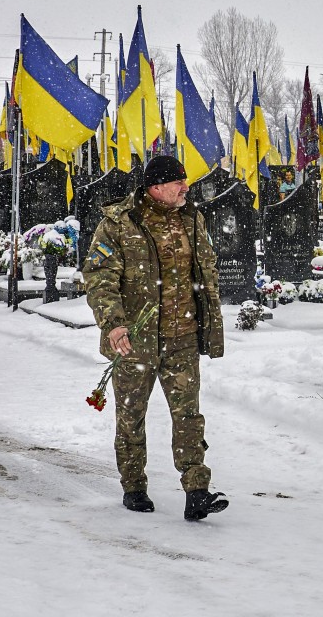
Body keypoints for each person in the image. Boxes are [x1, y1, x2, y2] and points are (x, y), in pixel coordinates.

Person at [82, 155, 228, 521]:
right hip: (136, 342)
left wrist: (208, 324)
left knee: (188, 416)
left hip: (183, 336)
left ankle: (196, 490)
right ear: (156, 186)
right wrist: (114, 324)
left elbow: (205, 273)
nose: (185, 187)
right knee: (132, 415)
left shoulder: (192, 218)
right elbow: (99, 277)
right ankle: (133, 485)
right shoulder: (119, 223)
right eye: (178, 182)